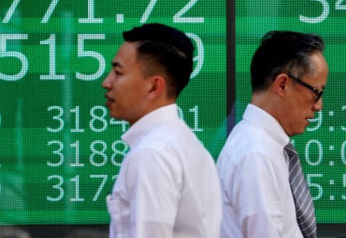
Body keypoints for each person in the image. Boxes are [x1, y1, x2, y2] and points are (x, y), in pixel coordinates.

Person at [102, 23, 222, 238]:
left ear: (154, 87)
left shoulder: (153, 153)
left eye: (118, 72)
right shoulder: (187, 145)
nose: (107, 82)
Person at [217, 31, 328, 238]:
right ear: (282, 84)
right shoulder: (256, 154)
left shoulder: (262, 146)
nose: (319, 106)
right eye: (317, 92)